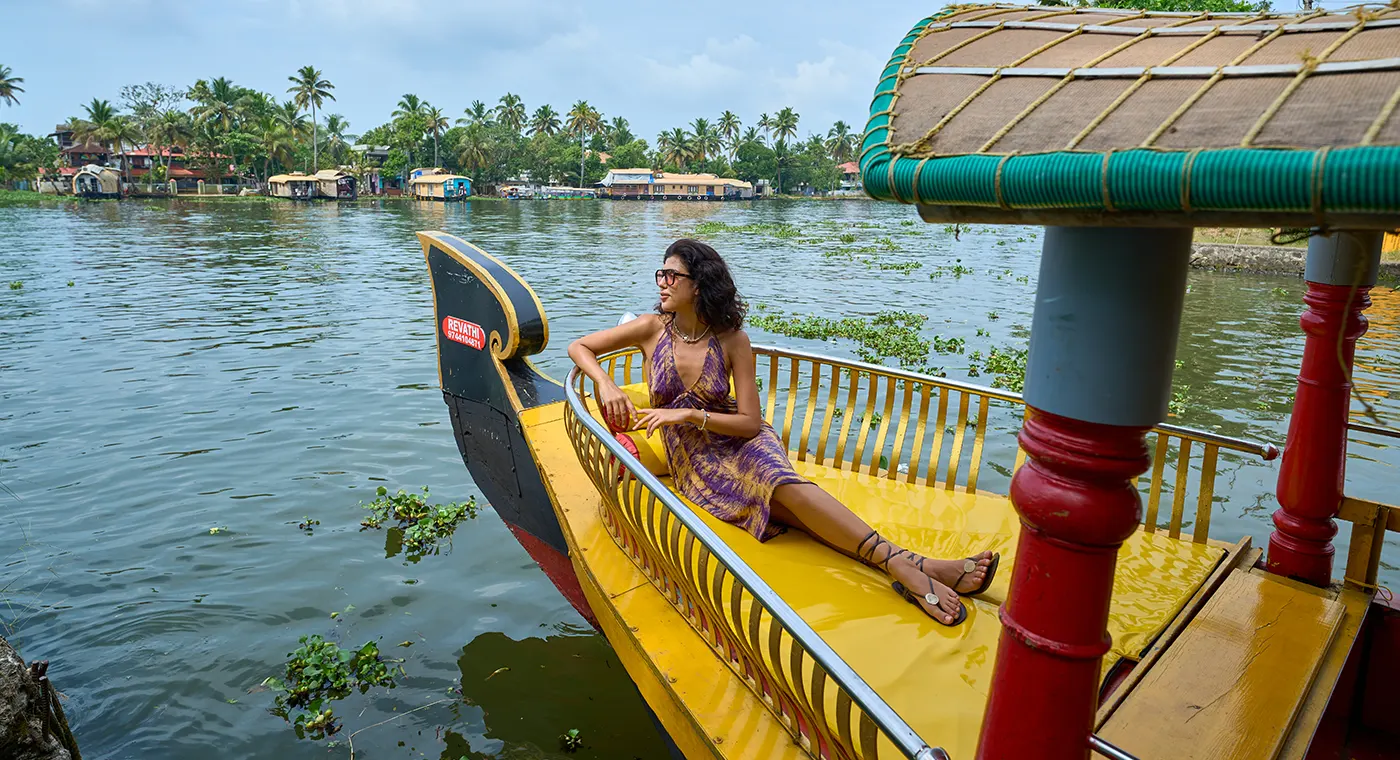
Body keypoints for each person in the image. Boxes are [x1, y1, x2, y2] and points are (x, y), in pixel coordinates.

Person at [568, 239, 999, 625]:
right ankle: (922, 565)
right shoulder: (651, 327)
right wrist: (605, 382)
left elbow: (750, 423)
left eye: (671, 275)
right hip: (696, 460)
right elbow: (579, 347)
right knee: (787, 507)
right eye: (659, 274)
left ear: (697, 284)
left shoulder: (733, 340)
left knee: (783, 487)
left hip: (740, 439)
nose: (661, 282)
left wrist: (685, 416)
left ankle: (901, 565)